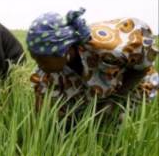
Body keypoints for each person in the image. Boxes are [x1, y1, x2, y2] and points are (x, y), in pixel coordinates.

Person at [26, 8, 159, 123]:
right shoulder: (47, 72)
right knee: (75, 119)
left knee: (117, 120)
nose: (38, 65)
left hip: (134, 86)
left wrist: (115, 101)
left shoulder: (109, 49)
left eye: (41, 59)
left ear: (62, 50)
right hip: (96, 94)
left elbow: (142, 68)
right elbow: (41, 111)